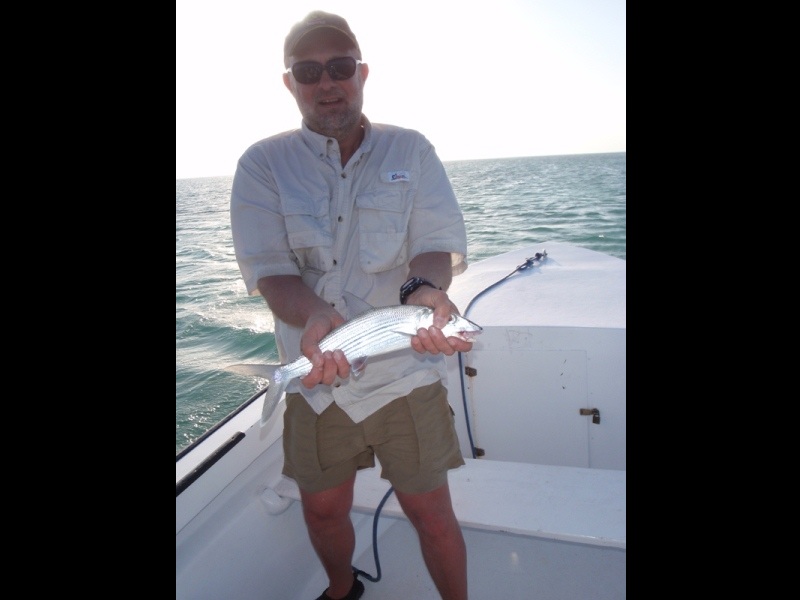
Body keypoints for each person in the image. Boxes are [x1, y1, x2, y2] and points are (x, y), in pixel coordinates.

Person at [230, 11, 471, 600]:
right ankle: (342, 590)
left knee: (433, 516)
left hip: (405, 380)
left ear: (362, 72)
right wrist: (315, 316)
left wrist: (424, 291)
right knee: (323, 514)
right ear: (290, 82)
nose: (327, 83)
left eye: (340, 67)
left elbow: (436, 244)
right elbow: (271, 271)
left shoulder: (410, 150)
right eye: (308, 72)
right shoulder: (261, 165)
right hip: (317, 378)